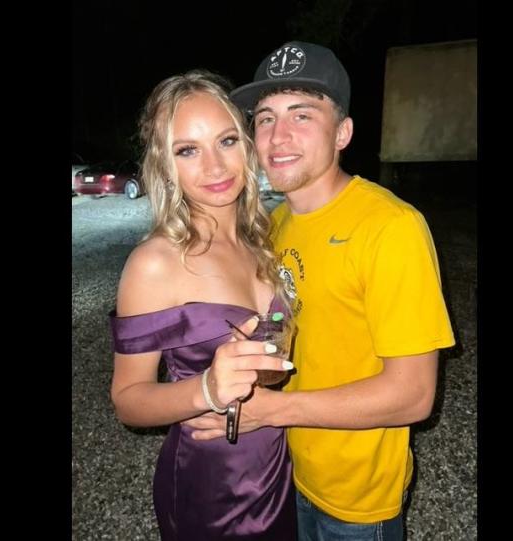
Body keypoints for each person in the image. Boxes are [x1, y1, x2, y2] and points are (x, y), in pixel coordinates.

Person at [184, 42, 456, 540]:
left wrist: (272, 413)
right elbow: (290, 328)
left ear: (343, 133)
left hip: (355, 503)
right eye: (264, 118)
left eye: (302, 115)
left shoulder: (390, 228)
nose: (278, 136)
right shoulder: (277, 223)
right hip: (287, 472)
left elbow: (415, 395)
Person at [108, 70, 298, 540]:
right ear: (164, 164)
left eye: (227, 140)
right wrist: (207, 391)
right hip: (214, 489)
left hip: (282, 469)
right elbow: (128, 401)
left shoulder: (266, 239)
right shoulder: (154, 263)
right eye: (187, 150)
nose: (214, 167)